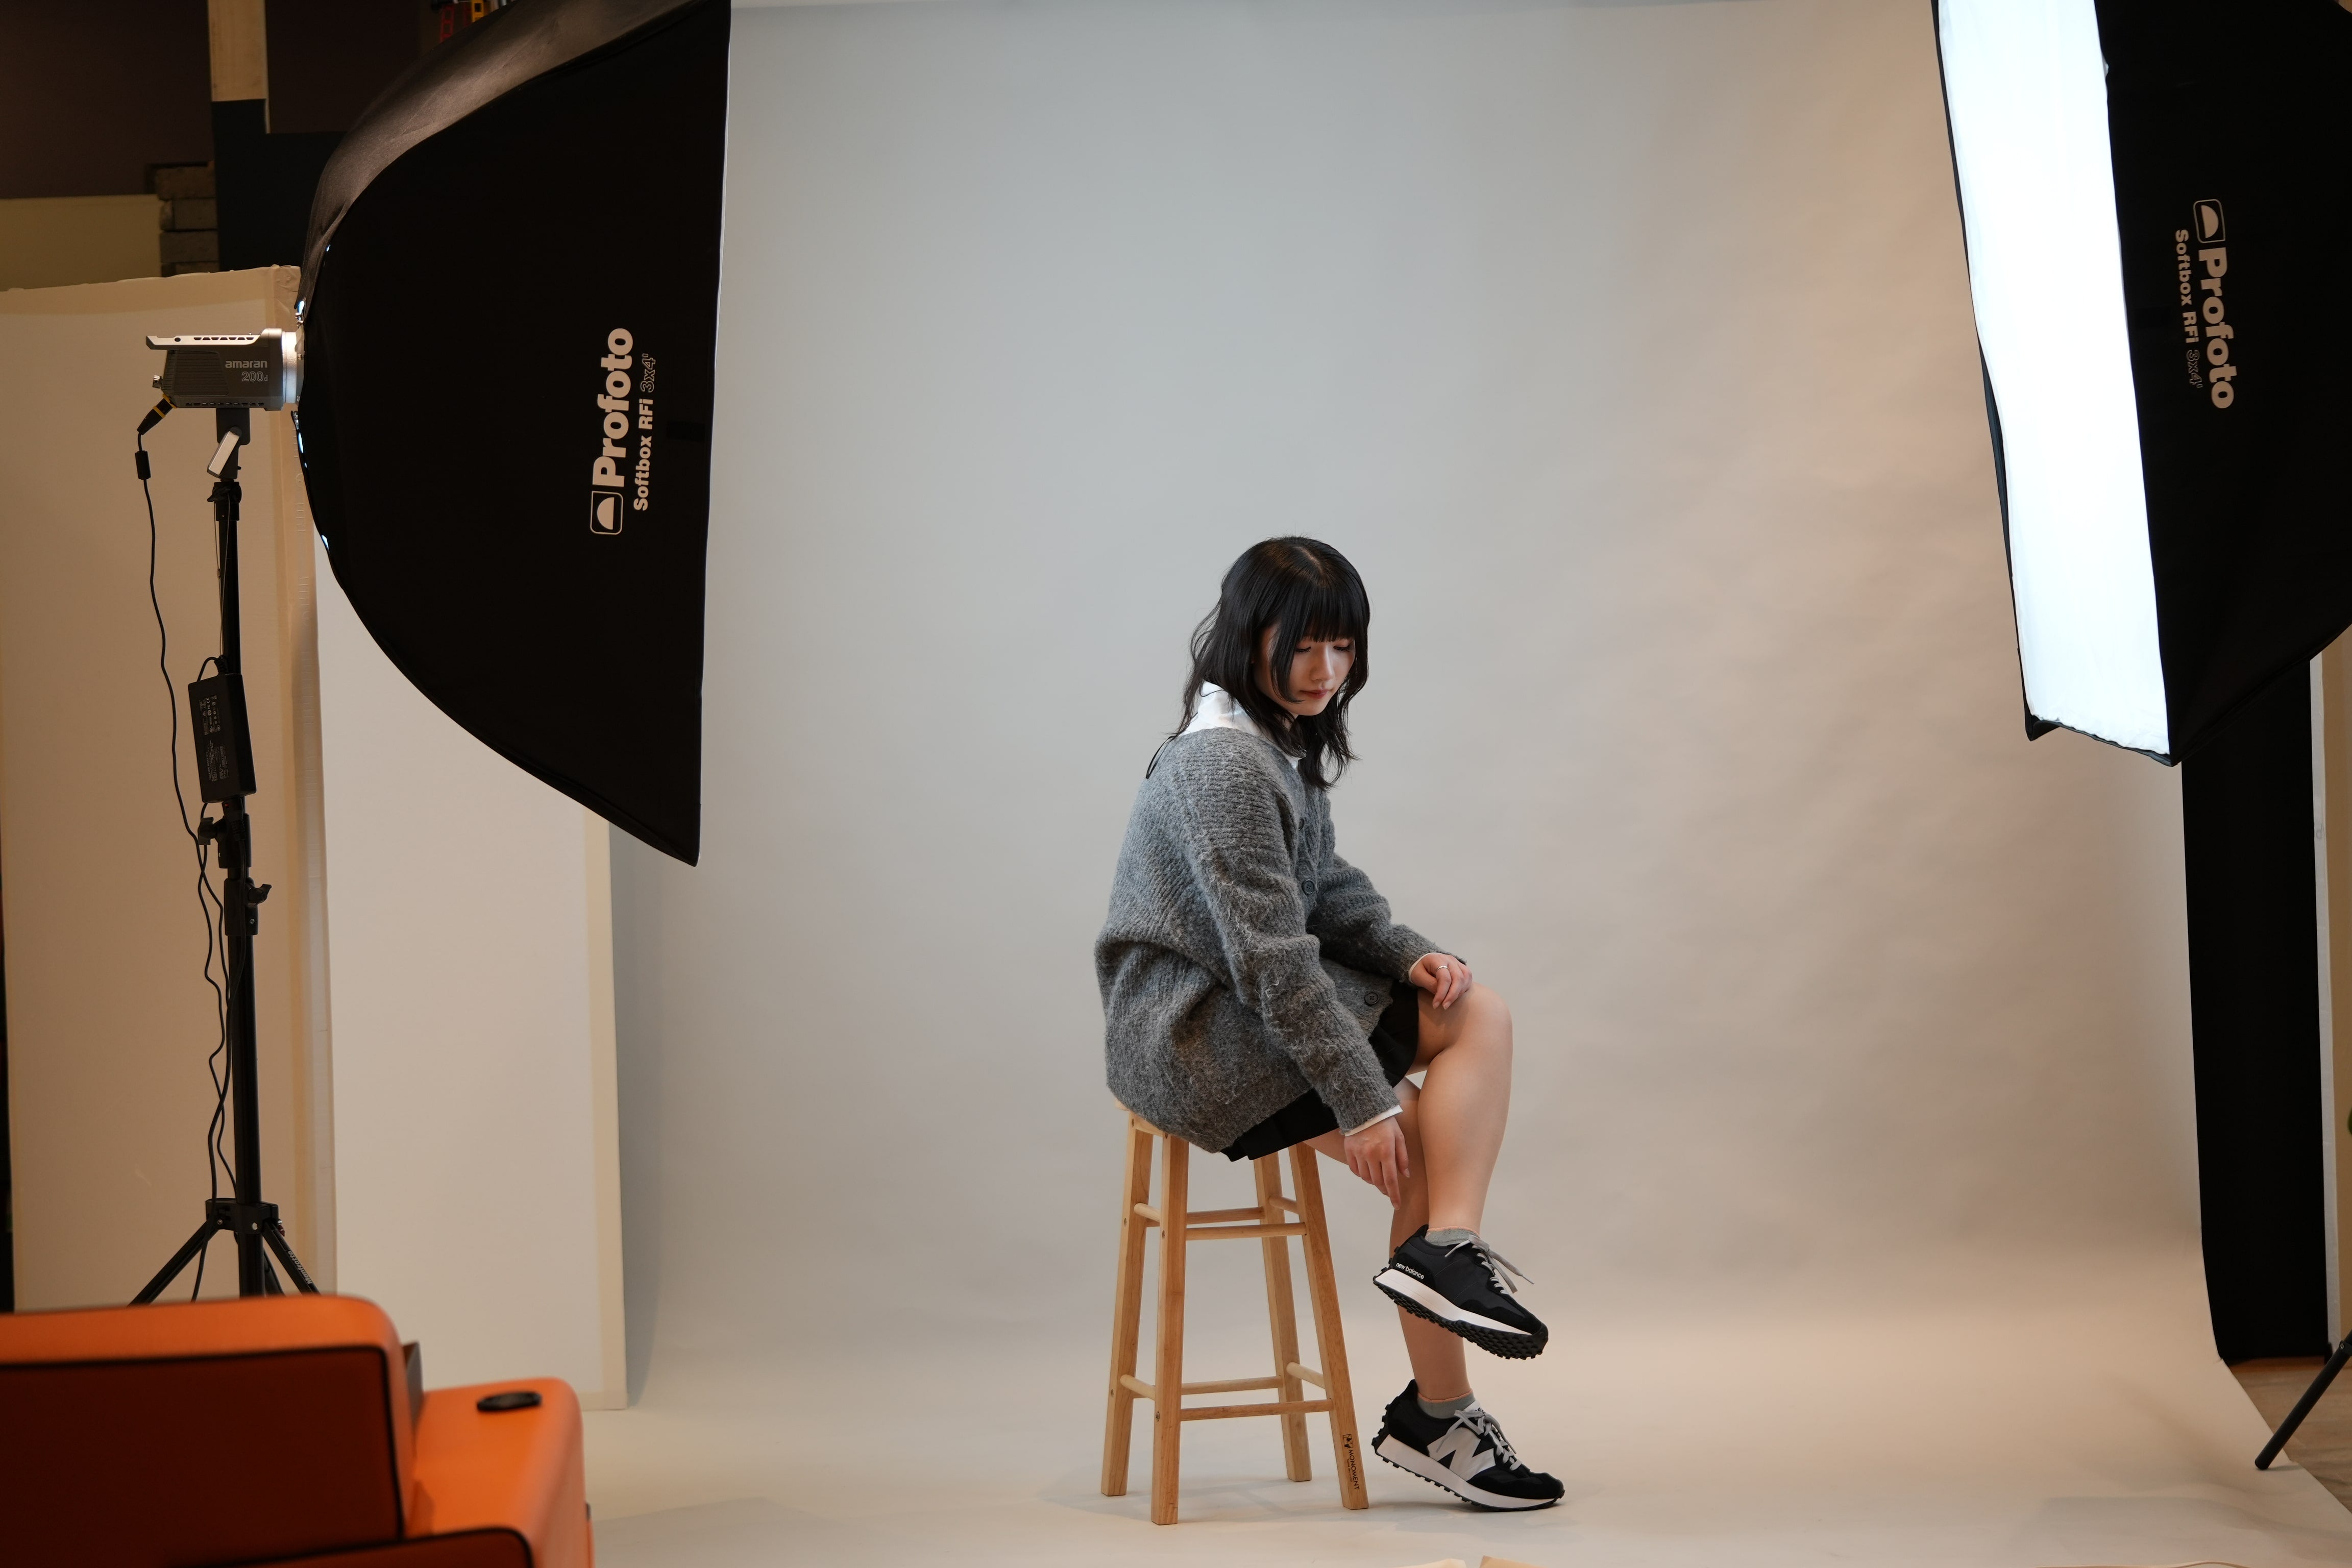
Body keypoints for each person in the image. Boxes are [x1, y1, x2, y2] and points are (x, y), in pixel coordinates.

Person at [1096, 537, 1561, 1511]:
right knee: (1449, 1081)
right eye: (1303, 646)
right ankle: (1445, 1334)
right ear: (1248, 636)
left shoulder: (1271, 738)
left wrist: (1406, 953)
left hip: (1242, 1005)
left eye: (1342, 647)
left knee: (1465, 1025)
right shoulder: (1223, 765)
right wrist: (1363, 1103)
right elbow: (1272, 958)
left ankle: (1445, 1316)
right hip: (1195, 1035)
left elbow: (1322, 888)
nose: (1325, 671)